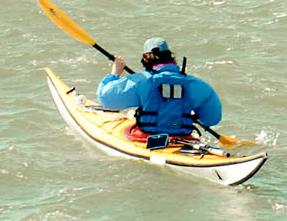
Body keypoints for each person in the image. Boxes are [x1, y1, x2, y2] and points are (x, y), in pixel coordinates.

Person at [96, 38, 224, 147]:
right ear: (170, 57)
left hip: (145, 138)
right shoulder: (196, 84)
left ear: (145, 59)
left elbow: (106, 99)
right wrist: (189, 113)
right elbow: (212, 119)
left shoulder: (141, 81)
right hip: (183, 139)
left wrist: (115, 73)